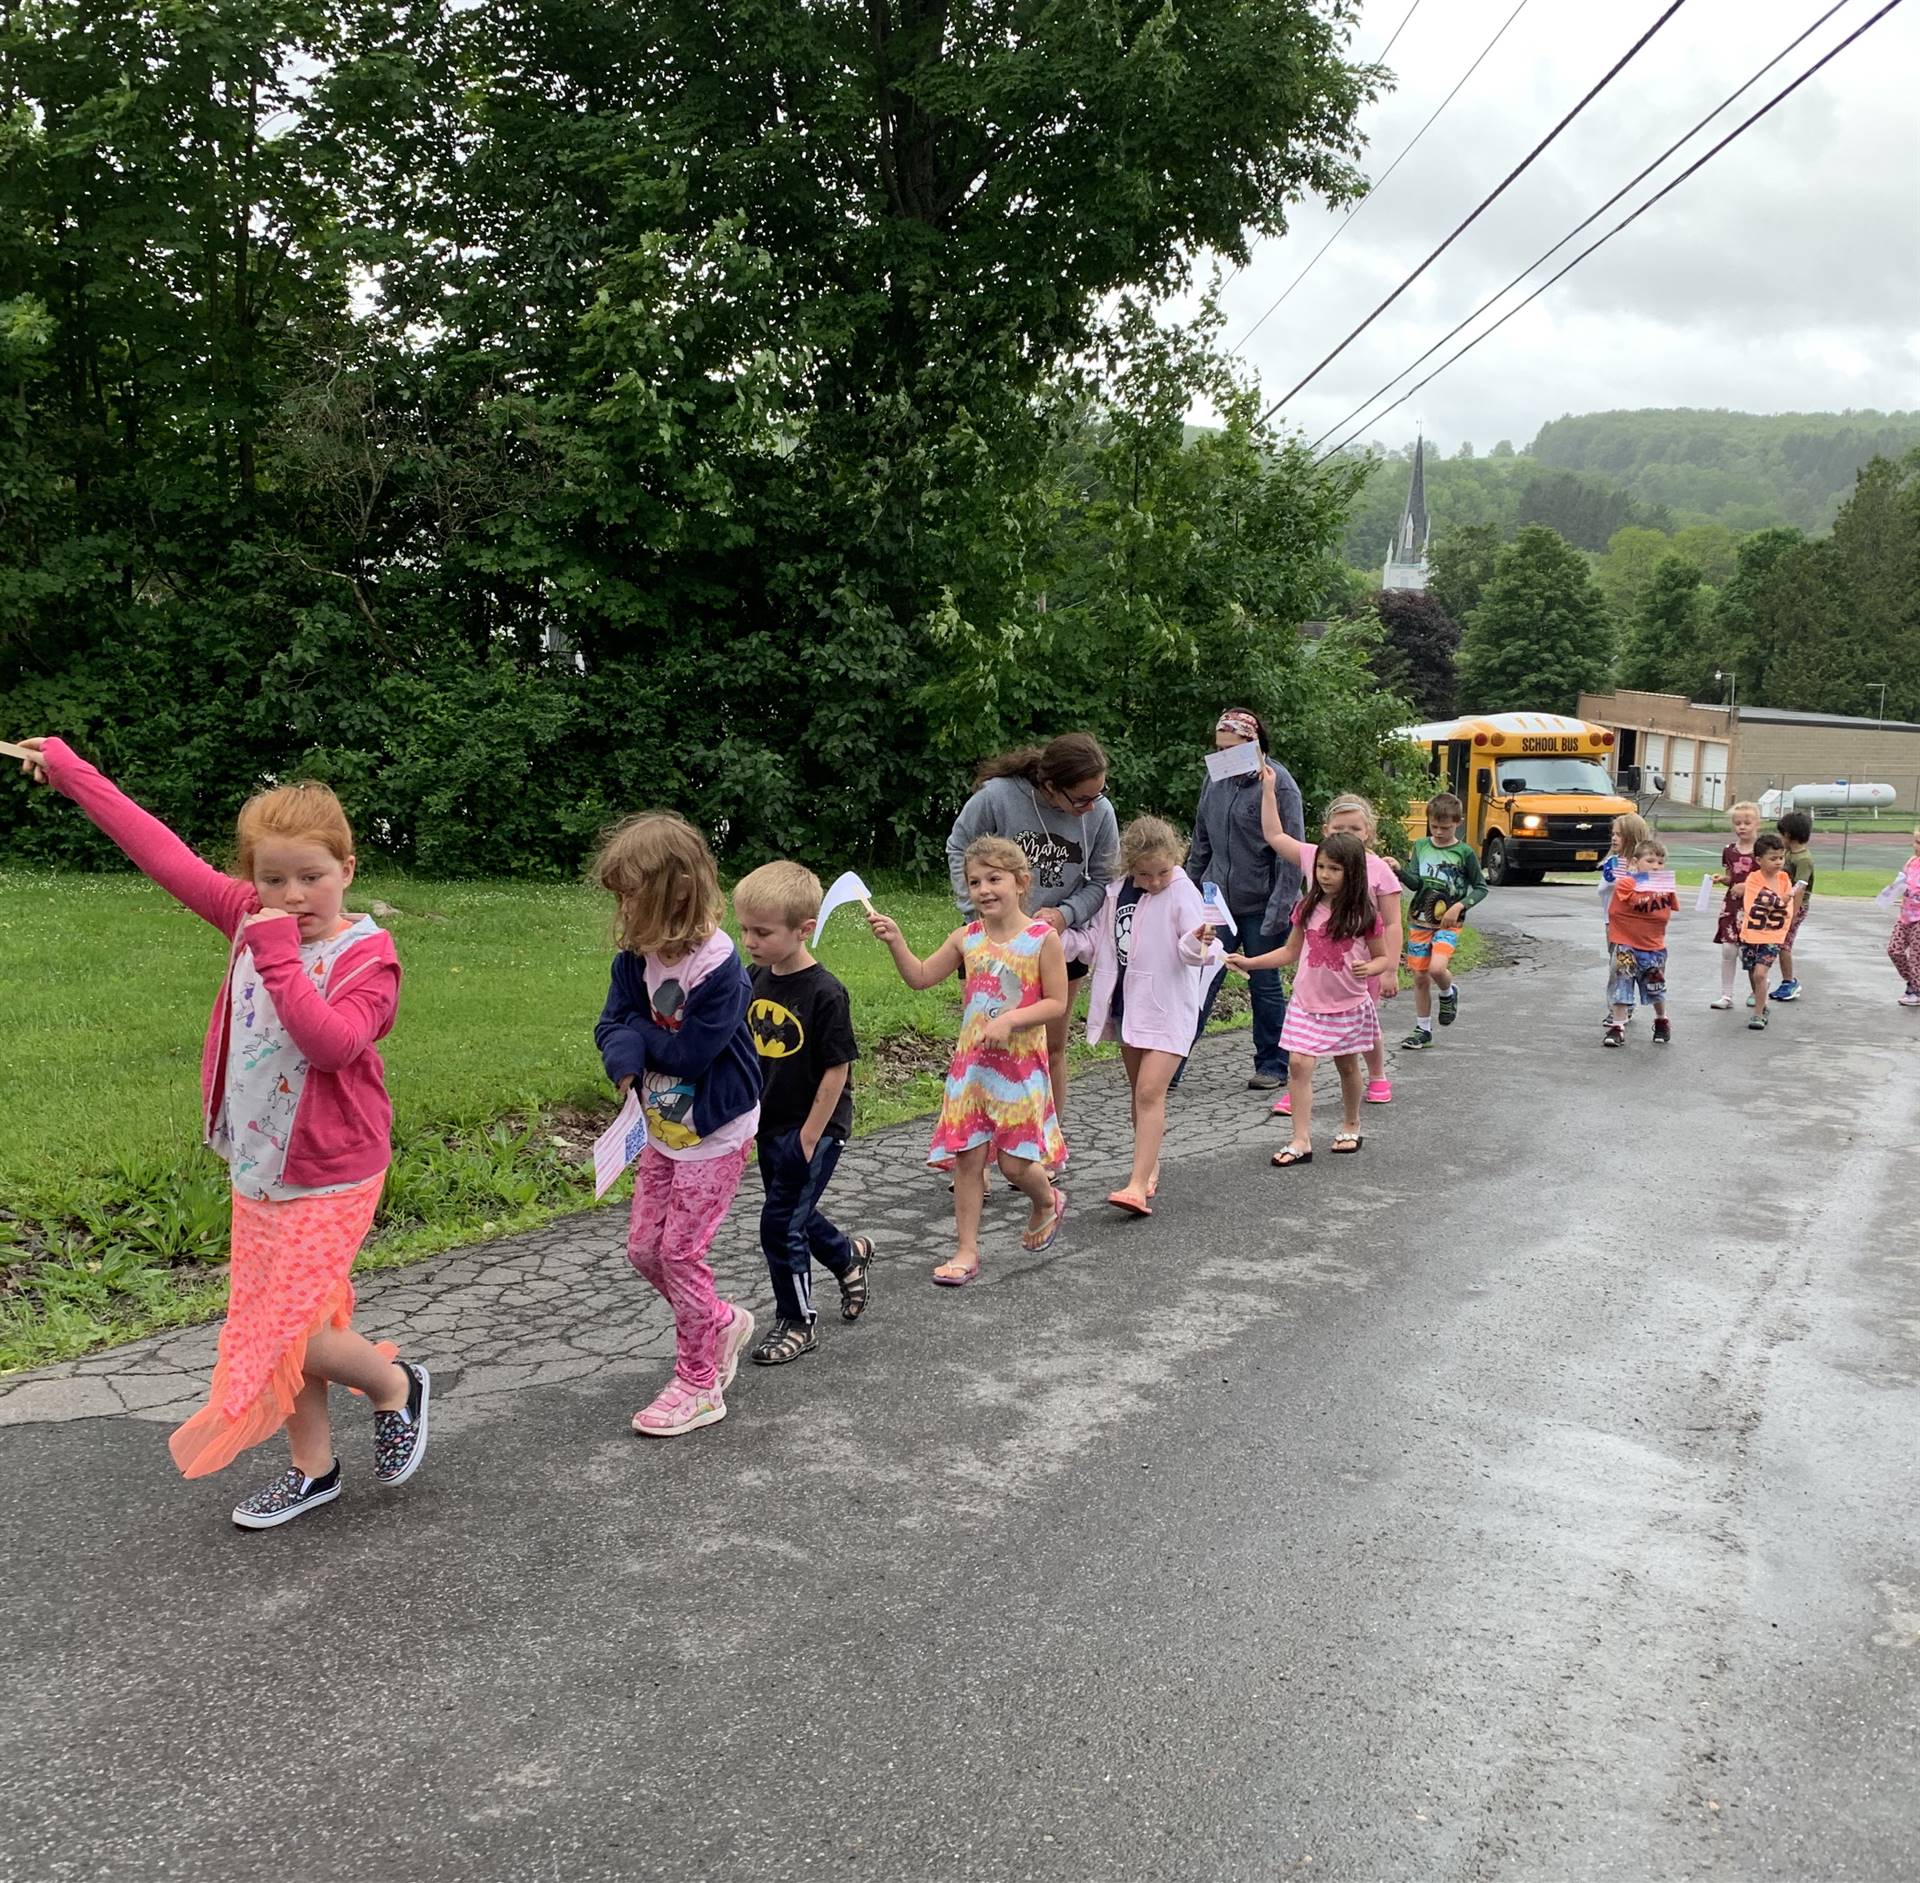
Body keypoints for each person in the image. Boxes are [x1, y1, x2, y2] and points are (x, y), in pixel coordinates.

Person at [10, 737, 427, 1531]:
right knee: (284, 1319)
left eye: (312, 875)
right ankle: (314, 1468)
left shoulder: (367, 955)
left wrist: (275, 953)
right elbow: (156, 847)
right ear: (250, 877)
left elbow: (333, 1044)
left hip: (335, 1169)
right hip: (261, 1163)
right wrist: (72, 775)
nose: (292, 894)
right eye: (272, 878)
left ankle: (394, 1384)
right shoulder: (247, 912)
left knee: (290, 1329)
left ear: (348, 868)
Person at [593, 812, 761, 1436]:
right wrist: (626, 1054)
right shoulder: (633, 961)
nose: (625, 910)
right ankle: (719, 1320)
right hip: (662, 1127)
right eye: (621, 898)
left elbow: (692, 1053)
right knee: (644, 1250)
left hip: (715, 1131)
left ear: (678, 891)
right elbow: (610, 1023)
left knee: (681, 1253)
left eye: (635, 897)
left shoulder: (720, 970)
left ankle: (699, 1382)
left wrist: (637, 1037)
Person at [868, 836, 1068, 1284]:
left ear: (1020, 882)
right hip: (971, 1070)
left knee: (1016, 1166)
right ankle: (965, 1250)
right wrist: (897, 941)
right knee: (967, 1162)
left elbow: (1056, 1003)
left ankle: (1045, 1201)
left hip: (1019, 1071)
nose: (983, 889)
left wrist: (1014, 1019)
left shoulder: (1041, 939)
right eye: (974, 881)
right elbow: (920, 977)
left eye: (994, 879)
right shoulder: (966, 938)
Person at [732, 861, 874, 1366]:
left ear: (804, 929)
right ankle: (846, 1255)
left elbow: (837, 1072)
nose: (750, 940)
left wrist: (810, 1138)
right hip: (768, 1121)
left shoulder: (825, 992)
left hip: (815, 1126)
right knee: (792, 1212)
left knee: (779, 1225)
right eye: (745, 929)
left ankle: (797, 1321)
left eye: (763, 932)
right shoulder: (753, 978)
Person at [945, 733, 1117, 1133]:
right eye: (1082, 799)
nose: (1092, 806)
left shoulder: (1101, 813)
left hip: (1056, 943)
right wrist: (979, 911)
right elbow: (959, 847)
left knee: (1051, 1047)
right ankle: (975, 1153)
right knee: (984, 1046)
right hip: (992, 944)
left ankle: (1042, 1147)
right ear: (1051, 786)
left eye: (1100, 794)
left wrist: (1065, 913)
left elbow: (1102, 879)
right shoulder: (997, 798)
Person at [1061, 816, 1221, 1216]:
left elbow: (1197, 948)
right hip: (1128, 1008)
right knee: (1140, 1095)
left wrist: (1198, 941)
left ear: (1175, 861)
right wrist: (1052, 935)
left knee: (1150, 1092)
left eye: (1162, 872)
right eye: (1144, 874)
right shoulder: (1116, 893)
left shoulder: (1183, 893)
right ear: (1130, 867)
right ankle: (1148, 1167)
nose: (1154, 881)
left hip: (1170, 1009)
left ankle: (1135, 1184)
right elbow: (1092, 943)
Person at [1227, 831, 1391, 1167]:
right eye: (1320, 867)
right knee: (1299, 1065)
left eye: (1335, 869)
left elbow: (1384, 958)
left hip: (1347, 1004)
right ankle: (1300, 1139)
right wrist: (1250, 961)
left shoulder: (1365, 914)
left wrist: (1370, 967)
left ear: (1353, 872)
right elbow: (1290, 951)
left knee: (1347, 1065)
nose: (1325, 875)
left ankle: (1351, 1123)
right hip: (1306, 1003)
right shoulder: (1307, 907)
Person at [1256, 783, 1403, 1109]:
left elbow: (1392, 923)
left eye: (1355, 828)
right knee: (1309, 1029)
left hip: (1362, 965)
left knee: (1363, 1028)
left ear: (1369, 832)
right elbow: (1275, 835)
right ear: (1326, 831)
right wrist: (1268, 791)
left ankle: (1377, 1075)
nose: (1347, 833)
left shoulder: (1378, 869)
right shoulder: (1315, 857)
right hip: (1318, 966)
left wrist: (1390, 967)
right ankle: (1299, 1088)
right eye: (1339, 828)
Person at [1184, 709, 1303, 1090]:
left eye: (1231, 749)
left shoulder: (1280, 785)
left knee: (1264, 983)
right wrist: (1187, 894)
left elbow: (1292, 854)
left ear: (1253, 745)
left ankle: (1272, 1065)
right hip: (1217, 899)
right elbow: (1201, 839)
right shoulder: (1214, 778)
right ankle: (1170, 1064)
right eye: (1218, 749)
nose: (1223, 756)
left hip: (1263, 903)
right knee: (1200, 979)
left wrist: (1279, 911)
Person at [1393, 793, 1488, 1051]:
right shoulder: (1421, 846)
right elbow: (1415, 882)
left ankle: (1448, 991)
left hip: (1449, 923)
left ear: (1458, 822)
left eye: (1445, 827)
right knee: (1420, 976)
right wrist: (1399, 871)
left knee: (1437, 969)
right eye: (1434, 826)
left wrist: (1459, 906)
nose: (1439, 832)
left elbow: (1481, 887)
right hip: (1420, 921)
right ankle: (1422, 1029)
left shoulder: (1464, 852)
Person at [1602, 839, 1678, 1048]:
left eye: (1660, 863)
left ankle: (1661, 1020)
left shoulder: (1665, 887)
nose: (1655, 866)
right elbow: (1631, 899)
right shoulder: (1628, 883)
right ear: (1636, 861)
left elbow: (1667, 912)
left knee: (1655, 987)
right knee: (1621, 980)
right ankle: (1617, 1026)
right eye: (1650, 861)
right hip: (1625, 942)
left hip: (1653, 946)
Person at [1597, 812, 1653, 1024]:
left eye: (1619, 835)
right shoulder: (1612, 862)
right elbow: (1604, 888)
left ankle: (1618, 1008)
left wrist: (1634, 875)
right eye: (1613, 834)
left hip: (1634, 926)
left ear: (1632, 836)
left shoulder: (1645, 865)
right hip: (1611, 923)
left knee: (1620, 967)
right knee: (1619, 967)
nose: (1614, 838)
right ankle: (1623, 1005)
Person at [1736, 831, 1795, 1032]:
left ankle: (1758, 1014)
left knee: (1761, 974)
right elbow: (1759, 901)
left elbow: (1787, 903)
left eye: (1781, 857)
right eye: (1773, 858)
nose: (1778, 862)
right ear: (1759, 859)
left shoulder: (1784, 879)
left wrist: (1782, 902)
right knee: (1753, 973)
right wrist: (1781, 901)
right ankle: (1763, 1003)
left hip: (1773, 934)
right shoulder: (1753, 878)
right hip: (1751, 934)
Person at [1709, 800, 1761, 1010]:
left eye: (1747, 823)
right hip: (1732, 906)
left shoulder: (1763, 850)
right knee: (1729, 950)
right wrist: (1723, 879)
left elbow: (1769, 880)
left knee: (1751, 953)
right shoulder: (1729, 850)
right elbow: (1732, 876)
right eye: (1737, 823)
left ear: (1757, 824)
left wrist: (1747, 887)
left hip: (1755, 908)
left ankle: (1758, 989)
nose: (1742, 827)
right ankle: (1726, 995)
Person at [1771, 809, 1815, 1001]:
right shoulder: (1788, 853)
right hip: (1784, 904)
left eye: (1782, 834)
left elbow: (1800, 888)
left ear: (1788, 835)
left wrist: (1793, 914)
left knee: (1784, 945)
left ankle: (1789, 982)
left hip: (1796, 906)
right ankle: (1785, 981)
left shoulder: (1803, 859)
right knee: (1779, 943)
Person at [1885, 826, 1920, 1006]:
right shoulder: (1912, 861)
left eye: (1919, 843)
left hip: (1919, 920)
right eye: (1915, 841)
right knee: (1894, 950)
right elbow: (1902, 882)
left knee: (1916, 956)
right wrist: (1891, 892)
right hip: (1905, 915)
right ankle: (1914, 983)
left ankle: (1916, 990)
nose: (1916, 846)